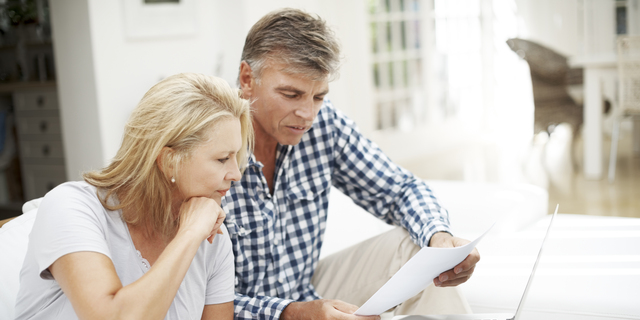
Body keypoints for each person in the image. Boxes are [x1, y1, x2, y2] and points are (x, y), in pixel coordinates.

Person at [224, 8, 481, 320]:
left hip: (305, 290)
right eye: (291, 94)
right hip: (239, 311)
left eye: (318, 97)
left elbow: (400, 190)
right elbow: (192, 299)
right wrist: (290, 313)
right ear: (247, 79)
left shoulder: (324, 124)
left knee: (423, 250)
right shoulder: (207, 145)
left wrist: (440, 238)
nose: (308, 114)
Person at [13, 73, 254, 320]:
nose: (236, 174)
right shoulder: (69, 207)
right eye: (222, 159)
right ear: (170, 161)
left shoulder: (213, 240)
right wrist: (189, 234)